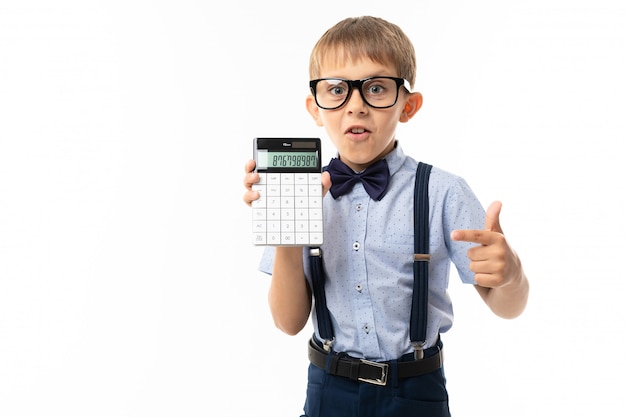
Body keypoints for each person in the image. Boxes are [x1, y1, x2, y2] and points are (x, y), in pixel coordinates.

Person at [242, 16, 529, 417]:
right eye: (337, 90)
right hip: (328, 389)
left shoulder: (443, 191)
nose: (355, 105)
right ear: (315, 107)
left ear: (408, 105)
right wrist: (288, 232)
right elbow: (288, 322)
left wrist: (511, 274)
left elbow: (508, 306)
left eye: (376, 88)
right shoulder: (305, 194)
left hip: (417, 391)